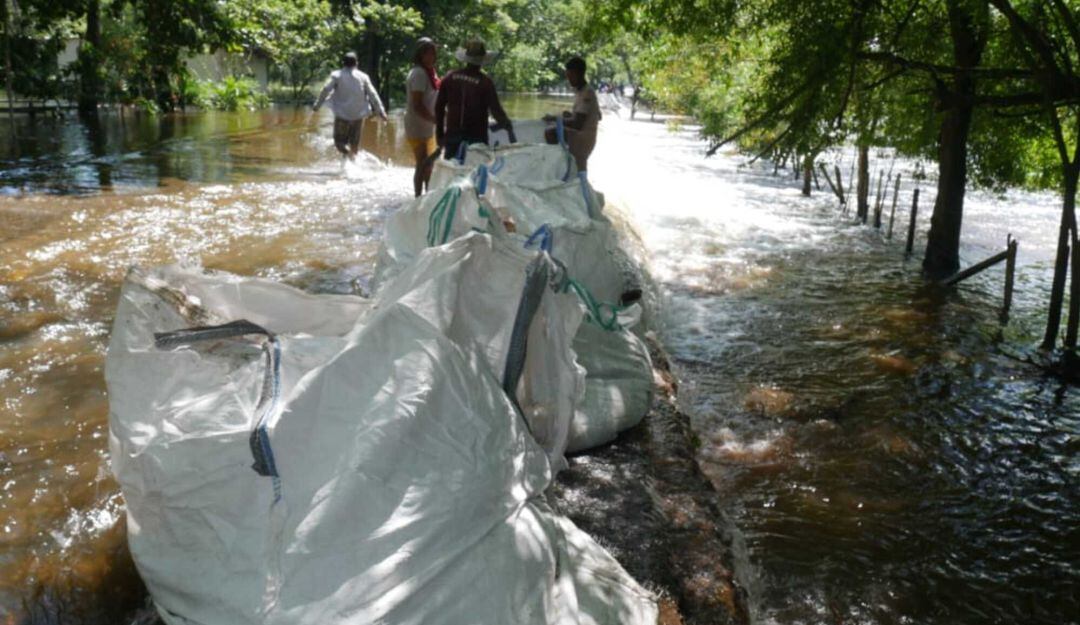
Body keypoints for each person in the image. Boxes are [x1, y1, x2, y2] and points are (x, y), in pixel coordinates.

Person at [435, 40, 515, 160]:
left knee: (451, 169)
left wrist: (439, 135)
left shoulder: (449, 78)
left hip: (452, 134)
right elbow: (496, 111)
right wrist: (507, 124)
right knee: (475, 171)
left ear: (466, 58)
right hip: (476, 137)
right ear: (482, 60)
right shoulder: (485, 83)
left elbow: (439, 108)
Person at [313, 52, 387, 160]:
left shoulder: (337, 75)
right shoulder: (363, 77)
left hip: (342, 115)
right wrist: (381, 111)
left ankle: (348, 157)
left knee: (339, 143)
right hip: (358, 116)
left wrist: (317, 105)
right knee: (354, 145)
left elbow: (326, 89)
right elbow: (373, 94)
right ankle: (352, 168)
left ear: (343, 63)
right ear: (356, 63)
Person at [544, 56, 601, 172]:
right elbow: (598, 116)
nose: (569, 80)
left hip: (584, 138)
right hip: (583, 134)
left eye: (571, 76)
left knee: (550, 132)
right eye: (567, 76)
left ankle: (558, 164)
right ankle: (563, 160)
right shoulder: (581, 91)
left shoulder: (587, 93)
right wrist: (569, 115)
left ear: (580, 74)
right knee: (564, 115)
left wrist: (555, 119)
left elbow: (577, 124)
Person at [405, 38, 439, 196]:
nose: (431, 56)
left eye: (433, 52)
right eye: (427, 53)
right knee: (423, 164)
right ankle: (418, 197)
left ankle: (426, 195)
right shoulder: (419, 73)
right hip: (417, 126)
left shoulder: (429, 72)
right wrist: (435, 120)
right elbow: (417, 105)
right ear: (420, 55)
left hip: (427, 125)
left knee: (429, 165)